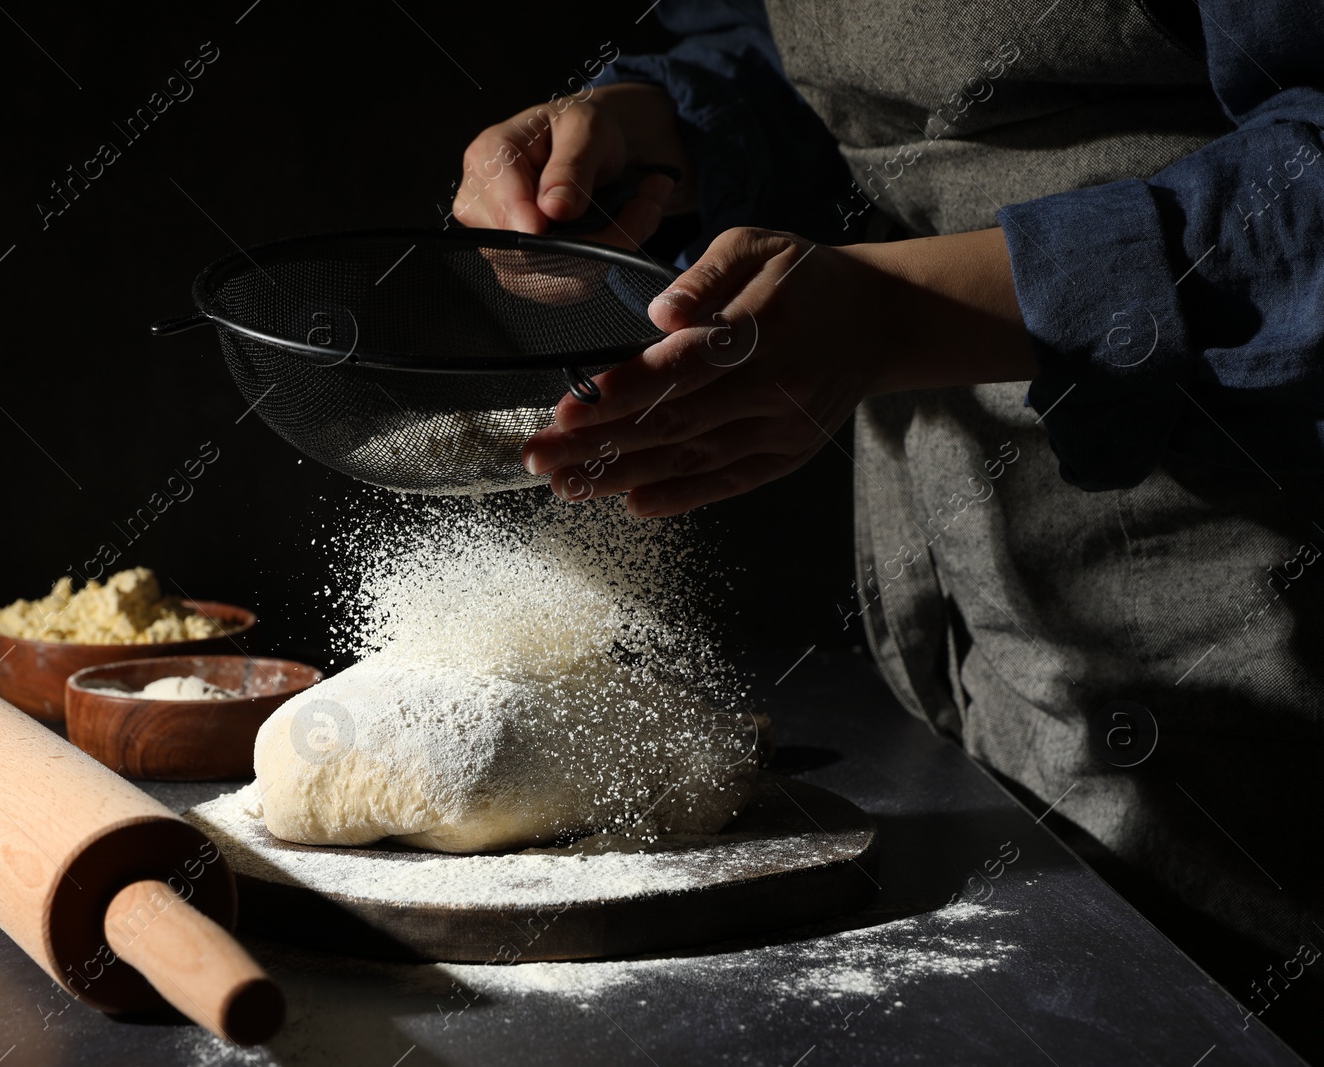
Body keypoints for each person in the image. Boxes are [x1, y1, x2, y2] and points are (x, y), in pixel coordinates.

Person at [452, 0, 1324, 1056]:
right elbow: (862, 71)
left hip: (1254, 574)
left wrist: (900, 313)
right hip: (958, 564)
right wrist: (665, 131)